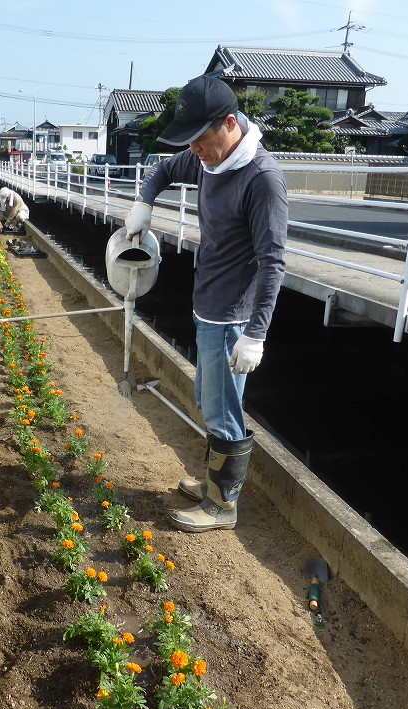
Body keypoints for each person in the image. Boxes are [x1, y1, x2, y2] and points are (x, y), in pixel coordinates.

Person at [124, 74, 287, 533]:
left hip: (233, 318)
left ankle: (222, 504)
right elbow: (162, 170)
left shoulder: (261, 179)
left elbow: (273, 263)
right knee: (209, 400)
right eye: (189, 142)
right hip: (207, 307)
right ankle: (214, 484)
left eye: (199, 139)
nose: (192, 149)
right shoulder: (208, 159)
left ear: (229, 124)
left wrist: (256, 333)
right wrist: (144, 202)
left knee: (223, 408)